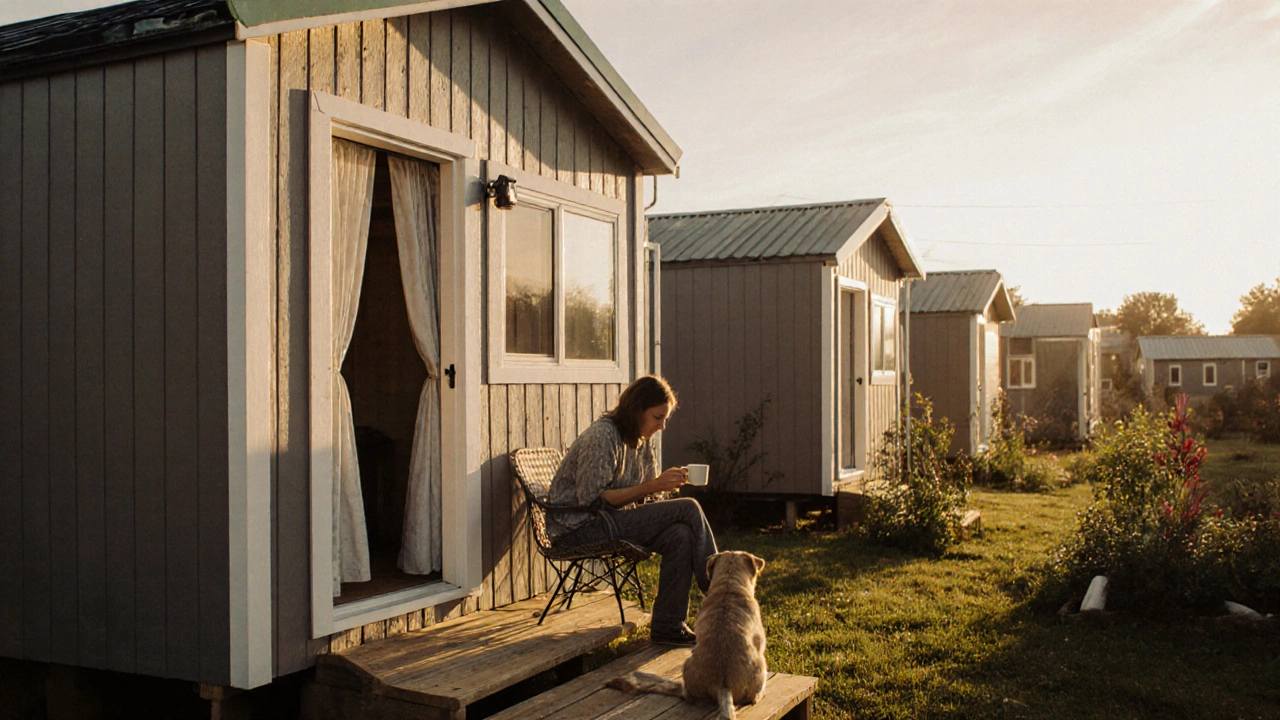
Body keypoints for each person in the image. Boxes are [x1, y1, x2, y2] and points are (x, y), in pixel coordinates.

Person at [546, 375, 717, 647]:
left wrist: (665, 485)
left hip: (614, 520)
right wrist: (653, 485)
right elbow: (594, 499)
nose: (661, 426)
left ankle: (668, 627)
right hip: (580, 527)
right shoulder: (603, 436)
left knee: (681, 534)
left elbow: (647, 494)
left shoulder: (641, 439)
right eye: (657, 417)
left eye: (665, 420)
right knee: (690, 507)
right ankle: (719, 588)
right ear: (637, 410)